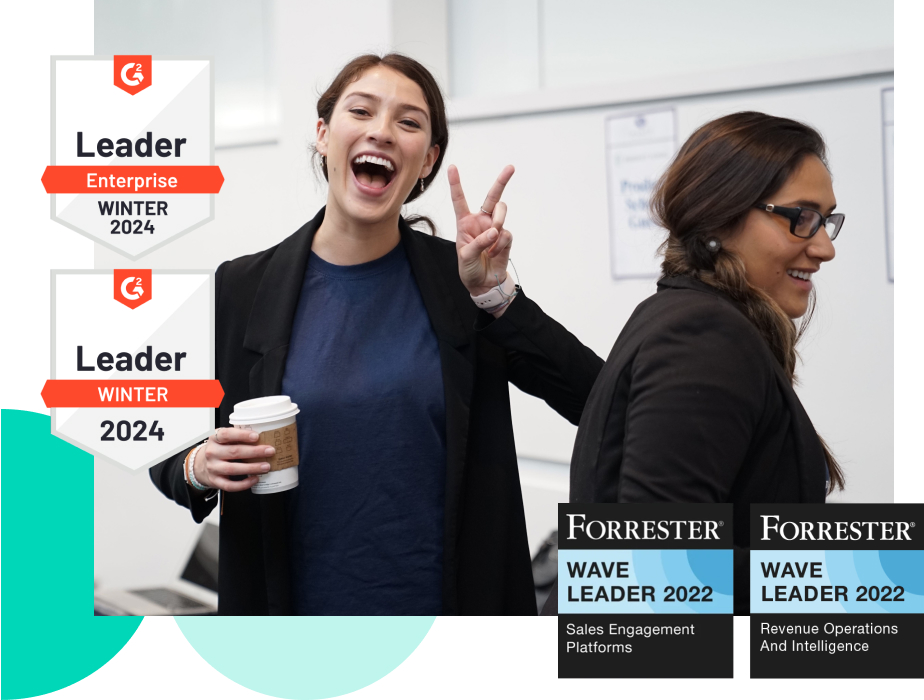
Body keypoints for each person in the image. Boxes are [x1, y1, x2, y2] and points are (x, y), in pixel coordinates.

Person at [149, 53, 603, 616]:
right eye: (361, 110)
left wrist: (495, 296)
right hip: (294, 627)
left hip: (447, 625)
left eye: (409, 123)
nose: (382, 132)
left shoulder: (460, 283)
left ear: (427, 160)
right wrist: (199, 466)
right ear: (323, 134)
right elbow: (165, 448)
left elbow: (599, 400)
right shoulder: (243, 286)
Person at [544, 111, 845, 615]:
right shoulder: (703, 335)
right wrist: (874, 585)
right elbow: (658, 569)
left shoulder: (698, 318)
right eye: (801, 217)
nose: (825, 247)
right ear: (720, 216)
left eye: (827, 219)